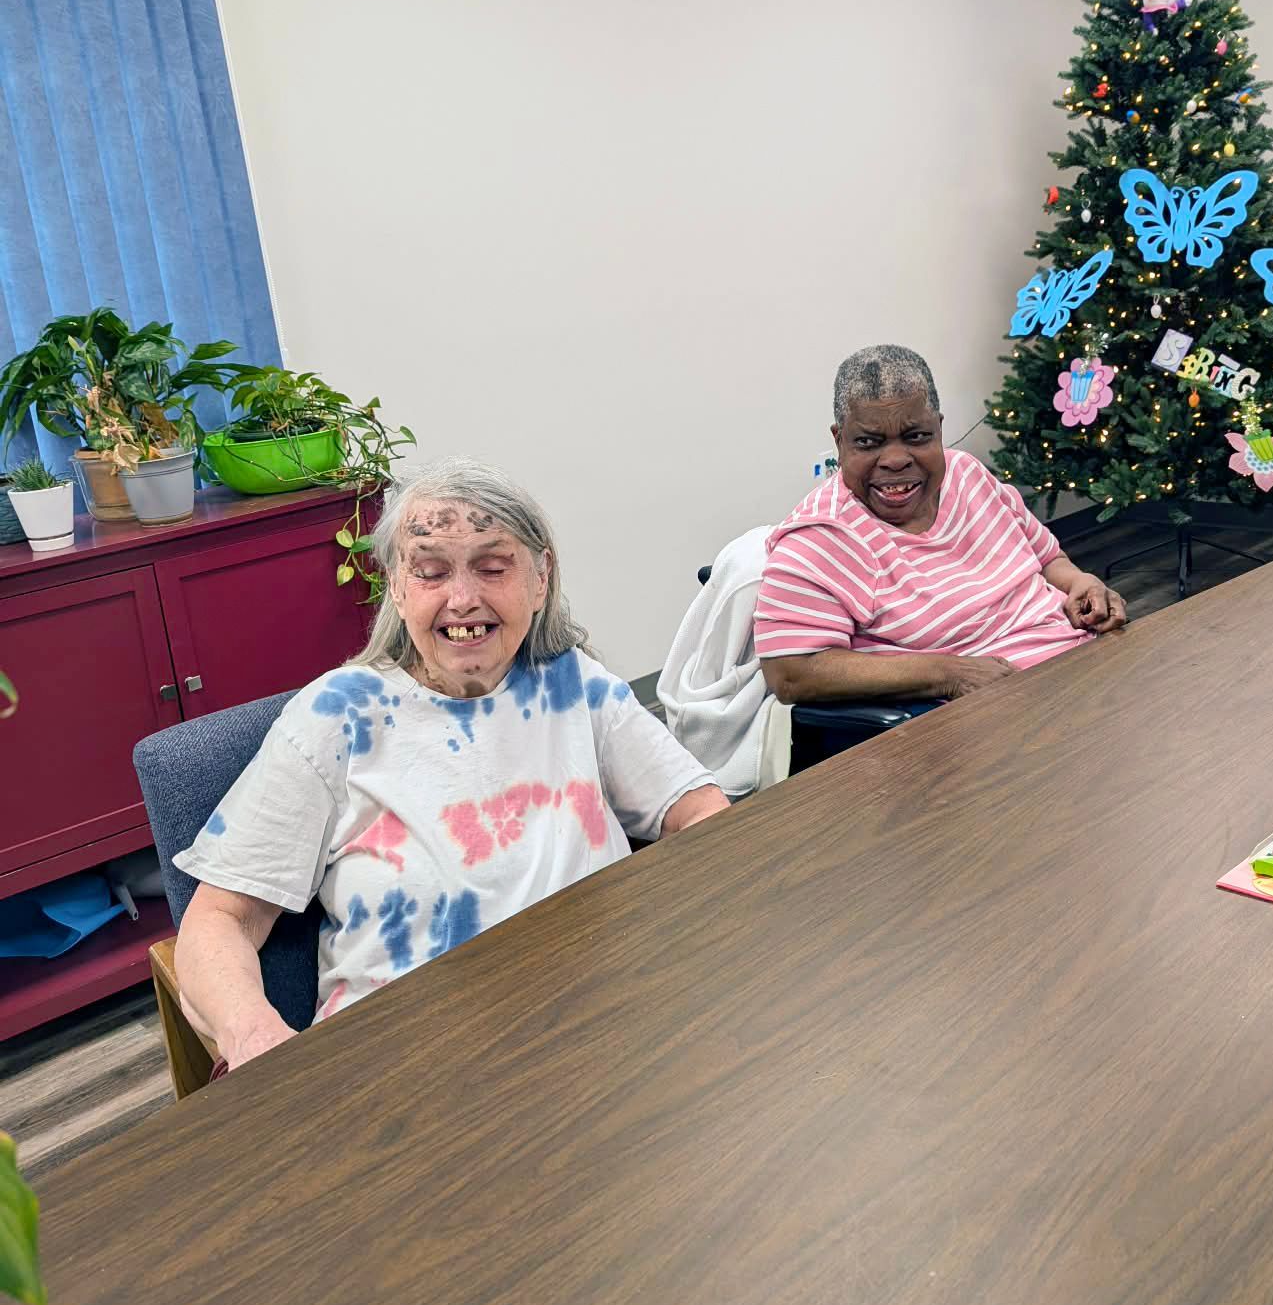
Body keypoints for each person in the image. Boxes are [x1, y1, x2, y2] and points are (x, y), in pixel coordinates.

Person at [175, 458, 728, 1068]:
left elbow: (700, 811)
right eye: (432, 572)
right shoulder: (339, 717)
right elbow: (219, 919)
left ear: (540, 578)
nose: (463, 600)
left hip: (601, 1026)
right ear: (396, 585)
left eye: (494, 567)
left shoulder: (573, 685)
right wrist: (255, 1036)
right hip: (411, 1062)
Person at [755, 345, 1127, 704]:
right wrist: (950, 675)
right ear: (839, 440)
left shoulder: (967, 473)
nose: (896, 460)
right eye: (869, 442)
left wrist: (1082, 583)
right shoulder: (820, 537)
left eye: (916, 437)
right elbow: (791, 673)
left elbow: (1048, 559)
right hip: (995, 712)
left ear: (939, 428)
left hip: (1085, 662)